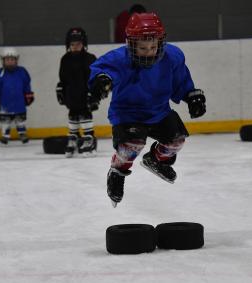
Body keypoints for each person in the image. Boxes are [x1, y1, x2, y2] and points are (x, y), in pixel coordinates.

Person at [88, 12, 206, 207]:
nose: (149, 51)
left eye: (153, 46)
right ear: (131, 44)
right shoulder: (119, 58)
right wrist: (101, 81)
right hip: (127, 114)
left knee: (177, 141)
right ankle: (117, 171)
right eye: (142, 48)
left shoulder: (172, 57)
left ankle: (156, 160)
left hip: (159, 111)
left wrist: (191, 97)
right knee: (131, 146)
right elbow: (101, 70)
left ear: (161, 41)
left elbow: (181, 82)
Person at [56, 28, 98, 157]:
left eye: (78, 44)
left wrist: (94, 93)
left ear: (83, 44)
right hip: (72, 95)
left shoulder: (90, 58)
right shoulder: (65, 59)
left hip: (85, 95)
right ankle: (73, 139)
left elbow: (94, 78)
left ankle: (89, 140)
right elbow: (63, 78)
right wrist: (60, 90)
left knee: (85, 115)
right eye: (72, 44)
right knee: (73, 116)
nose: (75, 47)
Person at [0, 47, 34, 144]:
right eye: (7, 60)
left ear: (16, 60)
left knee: (20, 119)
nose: (10, 62)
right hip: (5, 102)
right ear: (3, 60)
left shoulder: (22, 71)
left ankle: (22, 134)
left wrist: (28, 94)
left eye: (12, 59)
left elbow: (26, 84)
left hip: (19, 102)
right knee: (5, 121)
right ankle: (5, 136)